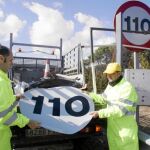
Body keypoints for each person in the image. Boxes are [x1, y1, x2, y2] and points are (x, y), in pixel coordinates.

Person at [89, 62, 139, 150]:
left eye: (111, 74)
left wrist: (100, 113)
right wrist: (88, 94)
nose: (108, 76)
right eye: (107, 74)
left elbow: (120, 109)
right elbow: (102, 98)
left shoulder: (127, 87)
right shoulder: (111, 86)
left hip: (125, 132)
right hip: (113, 131)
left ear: (119, 73)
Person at [0, 45, 40, 150]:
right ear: (1, 59)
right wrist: (27, 121)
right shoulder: (1, 82)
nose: (12, 63)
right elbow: (4, 116)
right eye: (10, 60)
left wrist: (15, 98)